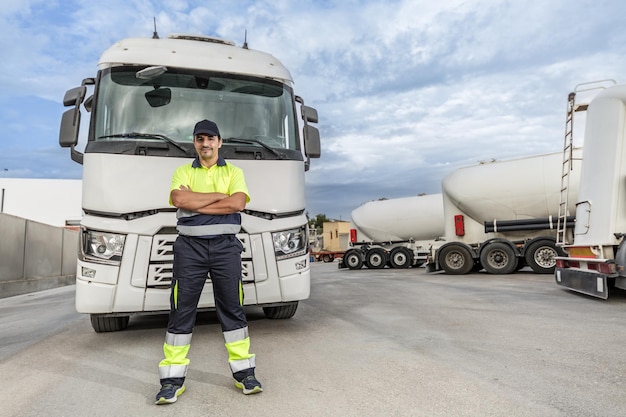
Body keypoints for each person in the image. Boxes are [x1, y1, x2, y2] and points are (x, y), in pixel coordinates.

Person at [155, 119, 262, 405]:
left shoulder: (234, 171)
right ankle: (172, 381)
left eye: (210, 138)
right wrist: (218, 197)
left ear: (219, 141)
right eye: (200, 139)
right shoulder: (182, 170)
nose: (205, 143)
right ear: (195, 142)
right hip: (189, 249)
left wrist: (197, 202)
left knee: (233, 308)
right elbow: (179, 199)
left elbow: (237, 204)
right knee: (181, 310)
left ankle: (245, 374)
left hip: (226, 248)